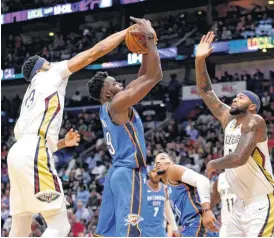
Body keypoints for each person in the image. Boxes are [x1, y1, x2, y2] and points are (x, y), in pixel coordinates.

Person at [7, 27, 129, 237]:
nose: (51, 62)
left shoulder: (30, 94)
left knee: (20, 228)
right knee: (60, 226)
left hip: (17, 153)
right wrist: (125, 33)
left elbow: (31, 138)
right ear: (40, 68)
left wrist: (62, 143)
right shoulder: (51, 74)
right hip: (33, 151)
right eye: (47, 61)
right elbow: (94, 52)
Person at [87, 17, 162, 236]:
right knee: (131, 230)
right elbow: (156, 76)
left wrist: (147, 47)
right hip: (129, 172)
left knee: (109, 231)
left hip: (116, 173)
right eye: (114, 83)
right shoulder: (118, 103)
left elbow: (144, 74)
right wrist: (149, 37)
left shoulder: (110, 106)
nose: (120, 82)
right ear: (108, 93)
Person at [195, 31, 274, 237]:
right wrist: (199, 60)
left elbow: (239, 158)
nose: (235, 99)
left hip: (261, 201)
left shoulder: (255, 122)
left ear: (253, 107)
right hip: (238, 205)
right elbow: (205, 90)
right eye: (236, 97)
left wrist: (213, 163)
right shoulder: (228, 120)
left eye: (241, 97)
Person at [155, 152, 219, 237]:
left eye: (162, 158)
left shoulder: (172, 170)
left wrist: (206, 210)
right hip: (191, 227)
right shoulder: (168, 188)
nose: (158, 162)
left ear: (172, 162)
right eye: (156, 161)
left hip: (198, 223)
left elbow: (202, 180)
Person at [143, 169, 180, 237]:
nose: (156, 174)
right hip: (144, 230)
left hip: (160, 230)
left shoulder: (164, 188)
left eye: (158, 172)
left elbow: (167, 210)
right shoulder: (142, 187)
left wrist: (175, 229)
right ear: (148, 173)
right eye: (153, 171)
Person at [210, 172, 237, 237]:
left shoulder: (245, 176)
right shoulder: (220, 179)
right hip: (226, 225)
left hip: (244, 224)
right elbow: (214, 200)